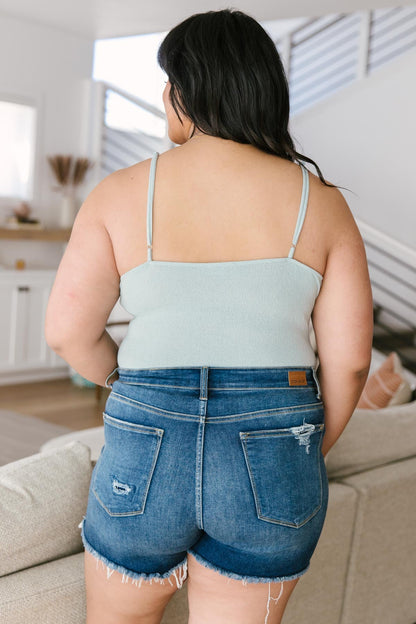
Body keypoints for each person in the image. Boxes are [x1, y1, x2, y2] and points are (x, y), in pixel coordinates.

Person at [45, 8, 373, 624]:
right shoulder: (321, 203)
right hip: (276, 444)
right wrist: (301, 447)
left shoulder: (119, 191)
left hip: (145, 437)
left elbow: (67, 331)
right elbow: (351, 361)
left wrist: (131, 388)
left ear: (182, 92)